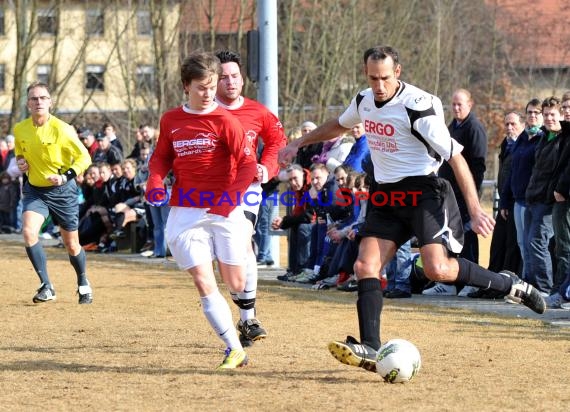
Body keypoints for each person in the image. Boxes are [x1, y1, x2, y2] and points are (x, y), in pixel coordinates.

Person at [279, 45, 545, 373]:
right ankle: (371, 347)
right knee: (365, 265)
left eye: (385, 78)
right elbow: (338, 124)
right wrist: (298, 143)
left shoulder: (418, 107)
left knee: (437, 269)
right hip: (385, 196)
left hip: (423, 193)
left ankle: (511, 285)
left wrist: (475, 209)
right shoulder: (363, 101)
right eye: (373, 78)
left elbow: (456, 157)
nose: (379, 85)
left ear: (398, 73)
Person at [145, 52, 257, 369]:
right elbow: (161, 157)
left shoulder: (225, 121)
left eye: (212, 86)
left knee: (235, 283)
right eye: (201, 88)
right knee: (202, 280)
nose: (209, 94)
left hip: (225, 208)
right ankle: (234, 348)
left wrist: (227, 201)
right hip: (187, 210)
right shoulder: (171, 120)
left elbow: (248, 165)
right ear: (186, 86)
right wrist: (155, 179)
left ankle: (247, 251)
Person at [214, 50, 287, 346]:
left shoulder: (258, 112)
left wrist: (266, 167)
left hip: (247, 189)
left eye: (235, 76)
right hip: (209, 193)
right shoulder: (202, 111)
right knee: (226, 258)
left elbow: (277, 142)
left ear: (243, 79)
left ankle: (248, 319)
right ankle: (244, 314)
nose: (230, 82)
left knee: (244, 242)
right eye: (223, 77)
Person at [14, 81, 93, 304]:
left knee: (72, 244)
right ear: (28, 103)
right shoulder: (20, 129)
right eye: (34, 98)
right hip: (35, 190)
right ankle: (46, 286)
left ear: (50, 102)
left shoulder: (63, 129)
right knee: (29, 232)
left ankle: (83, 282)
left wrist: (65, 176)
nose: (38, 102)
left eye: (42, 98)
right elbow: (20, 151)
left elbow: (84, 157)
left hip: (62, 191)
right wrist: (21, 162)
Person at [424, 88, 488, 297]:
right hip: (447, 194)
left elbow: (478, 166)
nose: (456, 108)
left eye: (460, 104)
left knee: (467, 236)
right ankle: (451, 282)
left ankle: (473, 280)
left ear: (470, 104)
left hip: (464, 195)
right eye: (453, 104)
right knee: (449, 237)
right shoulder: (452, 126)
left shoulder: (474, 128)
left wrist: (473, 198)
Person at [470, 111, 524, 299]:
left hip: (516, 202)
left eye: (513, 124)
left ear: (522, 125)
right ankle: (490, 283)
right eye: (507, 124)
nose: (509, 128)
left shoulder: (522, 145)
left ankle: (506, 286)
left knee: (511, 247)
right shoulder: (506, 145)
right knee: (497, 246)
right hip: (504, 203)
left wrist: (508, 202)